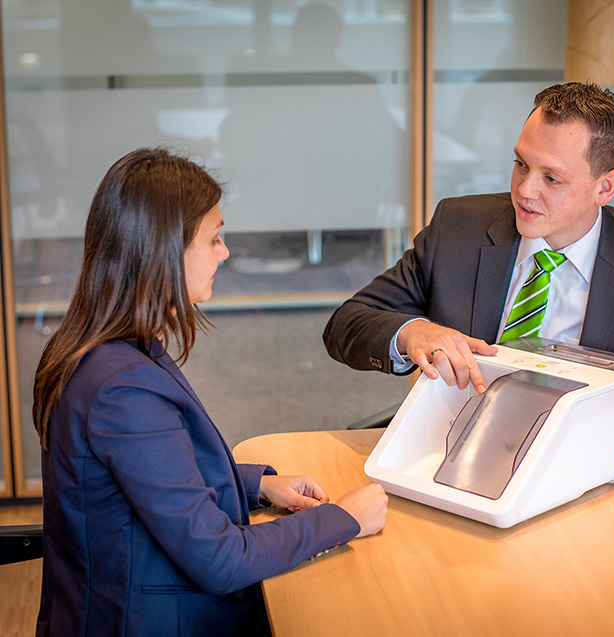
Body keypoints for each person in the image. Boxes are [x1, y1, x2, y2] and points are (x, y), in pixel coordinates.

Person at [324, 81, 614, 487]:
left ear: (605, 187)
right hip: (450, 458)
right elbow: (347, 324)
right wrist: (412, 333)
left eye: (552, 178)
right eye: (521, 164)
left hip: (583, 477)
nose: (525, 190)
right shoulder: (458, 228)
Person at [32, 148, 387, 637]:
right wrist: (342, 518)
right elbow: (220, 559)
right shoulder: (122, 387)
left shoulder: (98, 348)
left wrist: (257, 486)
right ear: (162, 251)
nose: (224, 253)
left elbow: (151, 475)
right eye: (214, 238)